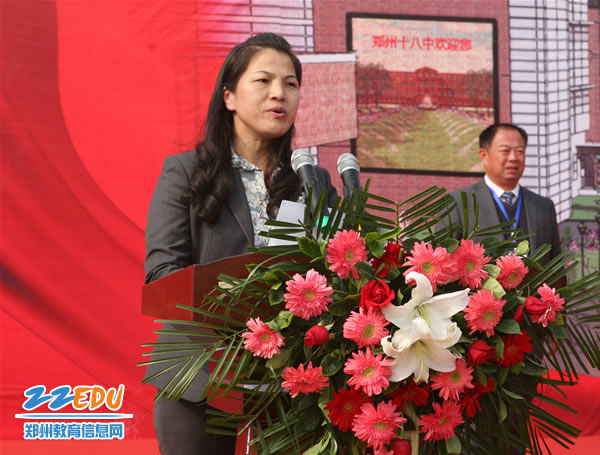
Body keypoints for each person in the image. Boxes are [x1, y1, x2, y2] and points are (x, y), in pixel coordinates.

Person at [143, 33, 337, 455]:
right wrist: (246, 292)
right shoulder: (185, 171)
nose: (278, 94)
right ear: (228, 96)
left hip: (288, 383)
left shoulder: (312, 182)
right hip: (198, 375)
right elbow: (162, 276)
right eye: (263, 81)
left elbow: (336, 271)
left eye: (290, 84)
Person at [448, 123, 561, 265]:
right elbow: (444, 262)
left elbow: (555, 265)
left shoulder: (543, 206)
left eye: (520, 151)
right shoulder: (458, 203)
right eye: (505, 151)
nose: (513, 158)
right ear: (484, 155)